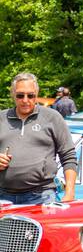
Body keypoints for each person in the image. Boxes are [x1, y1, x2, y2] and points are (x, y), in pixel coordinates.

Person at [0, 73, 78, 205]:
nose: (25, 100)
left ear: (37, 93)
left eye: (30, 95)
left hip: (42, 196)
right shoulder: (2, 118)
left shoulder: (52, 117)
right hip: (3, 196)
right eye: (20, 95)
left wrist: (70, 192)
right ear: (13, 94)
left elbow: (69, 157)